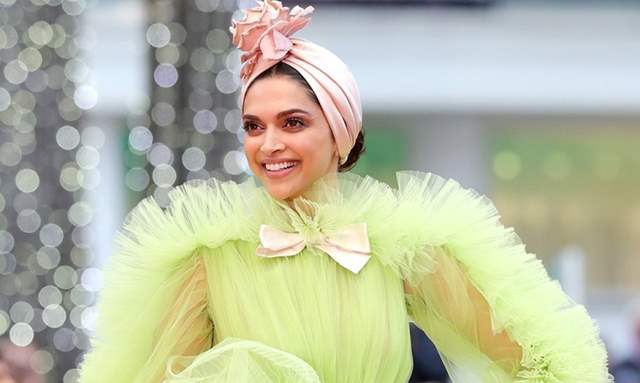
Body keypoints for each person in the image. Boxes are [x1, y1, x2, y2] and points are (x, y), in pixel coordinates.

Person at [78, 1, 611, 382]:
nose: (269, 144)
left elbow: (538, 362)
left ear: (341, 134)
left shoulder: (401, 243)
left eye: (292, 122)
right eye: (254, 126)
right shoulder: (208, 255)